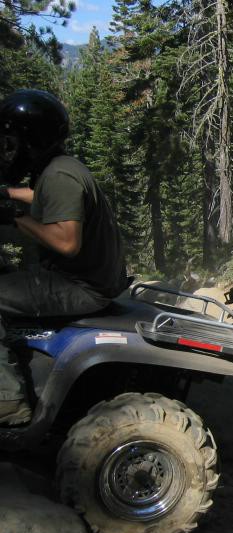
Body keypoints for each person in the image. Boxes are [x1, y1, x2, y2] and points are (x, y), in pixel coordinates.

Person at [0, 89, 129, 424]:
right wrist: (10, 193)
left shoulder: (59, 176)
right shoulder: (58, 169)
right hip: (88, 278)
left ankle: (8, 400)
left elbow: (67, 242)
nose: (8, 150)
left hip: (78, 285)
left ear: (31, 141)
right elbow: (42, 196)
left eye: (12, 141)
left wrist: (15, 216)